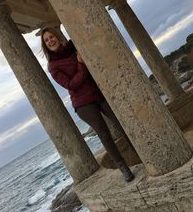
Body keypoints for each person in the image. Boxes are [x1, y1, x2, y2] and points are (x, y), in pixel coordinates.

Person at [40, 27, 134, 182]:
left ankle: (139, 151)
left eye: (51, 37)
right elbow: (71, 84)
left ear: (57, 36)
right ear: (45, 45)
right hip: (83, 103)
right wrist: (81, 65)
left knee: (121, 122)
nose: (50, 41)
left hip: (98, 92)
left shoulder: (73, 46)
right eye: (46, 40)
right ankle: (123, 167)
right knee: (104, 133)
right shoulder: (53, 66)